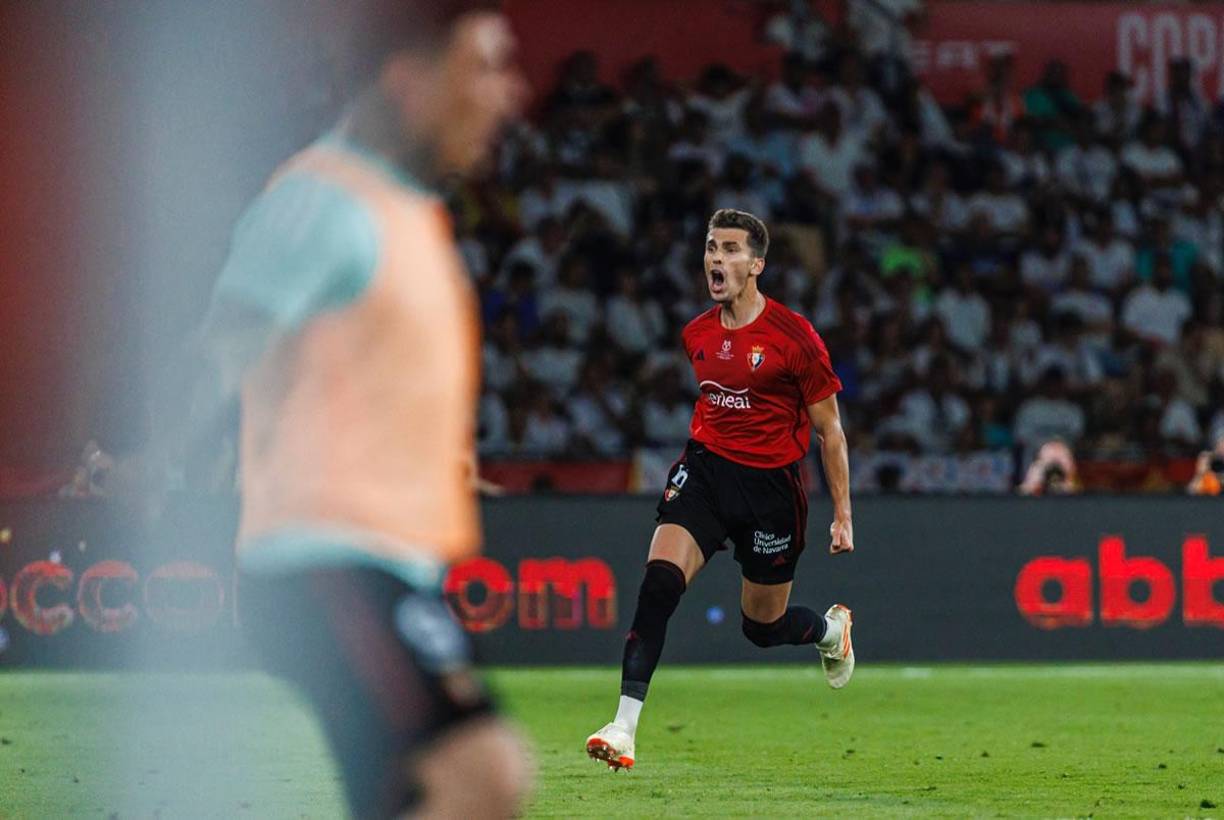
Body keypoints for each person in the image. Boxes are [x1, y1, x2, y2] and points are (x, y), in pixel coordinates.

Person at [196, 3, 530, 816]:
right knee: (480, 771)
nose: (509, 94)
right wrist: (136, 458)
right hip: (324, 558)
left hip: (389, 561)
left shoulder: (405, 211)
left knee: (411, 793)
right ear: (409, 82)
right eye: (482, 69)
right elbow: (223, 344)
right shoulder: (322, 200)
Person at [584, 209, 856, 771]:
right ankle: (624, 727)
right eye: (711, 247)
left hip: (772, 491)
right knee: (659, 584)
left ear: (756, 265)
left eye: (731, 250)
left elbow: (829, 430)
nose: (717, 258)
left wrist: (843, 514)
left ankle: (831, 630)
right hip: (706, 472)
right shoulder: (697, 334)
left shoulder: (794, 337)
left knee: (762, 628)